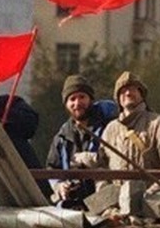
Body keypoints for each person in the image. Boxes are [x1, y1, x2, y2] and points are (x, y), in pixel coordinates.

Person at [45, 74, 116, 208]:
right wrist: (59, 185)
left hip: (106, 200)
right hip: (74, 205)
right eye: (72, 99)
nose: (77, 103)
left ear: (91, 99)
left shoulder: (109, 125)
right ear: (66, 104)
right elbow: (52, 167)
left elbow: (119, 160)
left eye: (82, 97)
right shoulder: (62, 136)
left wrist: (93, 160)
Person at [99, 71, 160, 170]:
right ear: (118, 98)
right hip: (116, 185)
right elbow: (101, 166)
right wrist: (104, 186)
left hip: (151, 185)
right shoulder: (110, 130)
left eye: (133, 89)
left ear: (141, 95)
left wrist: (155, 186)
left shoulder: (158, 124)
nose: (128, 93)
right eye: (123, 90)